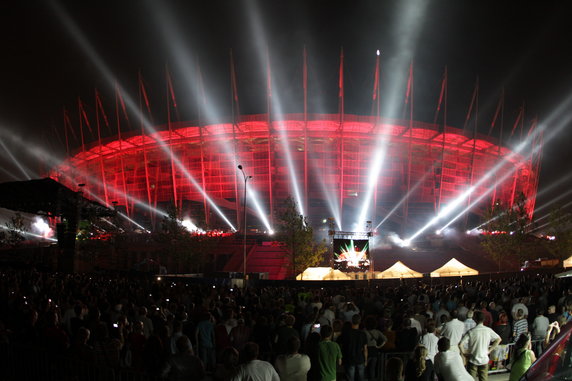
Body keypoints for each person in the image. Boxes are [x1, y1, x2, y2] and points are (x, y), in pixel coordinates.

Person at [458, 311, 501, 381]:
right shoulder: (488, 330)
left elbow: (461, 344)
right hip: (484, 359)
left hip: (473, 359)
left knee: (471, 379)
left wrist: (464, 353)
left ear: (475, 319)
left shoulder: (471, 331)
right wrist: (489, 350)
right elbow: (498, 339)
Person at [339, 314, 368, 381]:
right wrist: (365, 360)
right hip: (360, 359)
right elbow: (365, 349)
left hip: (350, 359)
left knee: (350, 378)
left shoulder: (346, 333)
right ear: (360, 322)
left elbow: (340, 344)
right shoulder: (362, 334)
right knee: (361, 378)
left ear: (352, 321)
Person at [363, 315, 387, 381]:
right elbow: (385, 339)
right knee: (372, 369)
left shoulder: (364, 331)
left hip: (366, 350)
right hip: (375, 350)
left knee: (364, 368)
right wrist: (379, 346)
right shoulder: (377, 332)